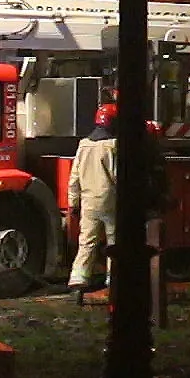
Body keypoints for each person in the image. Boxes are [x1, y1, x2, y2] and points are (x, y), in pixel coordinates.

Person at [67, 103, 119, 290]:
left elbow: (74, 177)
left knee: (87, 241)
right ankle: (113, 279)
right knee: (115, 242)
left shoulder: (84, 144)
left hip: (88, 202)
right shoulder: (113, 145)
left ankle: (78, 278)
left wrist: (73, 203)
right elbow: (117, 175)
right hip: (110, 200)